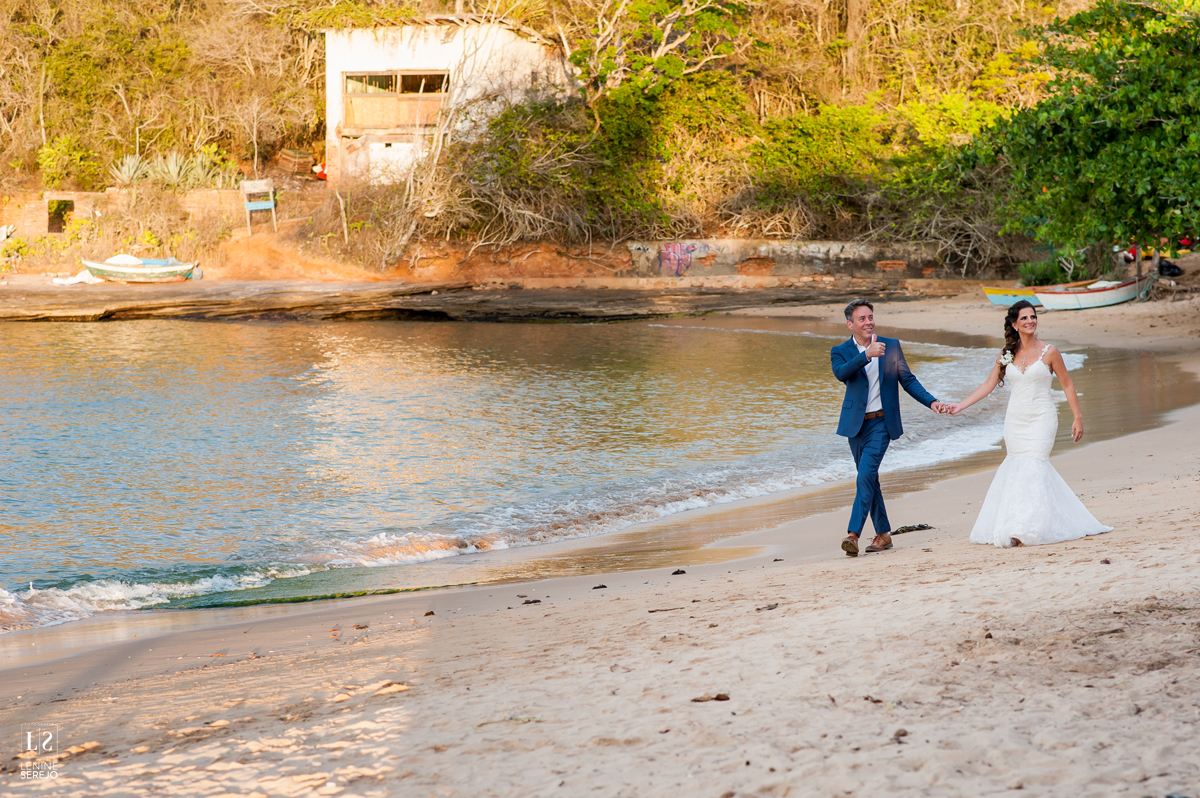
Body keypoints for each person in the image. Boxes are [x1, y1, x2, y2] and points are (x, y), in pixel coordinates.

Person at [946, 300, 1112, 547]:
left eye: (1033, 316)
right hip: (1015, 420)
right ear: (1014, 324)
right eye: (1024, 318)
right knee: (1017, 468)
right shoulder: (1007, 354)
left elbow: (1067, 384)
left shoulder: (1050, 352)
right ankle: (1017, 525)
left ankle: (1026, 528)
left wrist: (1077, 417)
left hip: (1042, 418)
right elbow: (989, 384)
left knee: (1034, 465)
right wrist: (960, 405)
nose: (1030, 321)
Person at [831, 299, 949, 557]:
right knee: (869, 478)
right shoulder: (840, 351)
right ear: (850, 324)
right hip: (855, 426)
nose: (868, 322)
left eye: (870, 317)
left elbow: (908, 380)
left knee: (865, 476)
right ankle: (884, 534)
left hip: (882, 423)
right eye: (862, 319)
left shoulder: (891, 346)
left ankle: (853, 534)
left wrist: (931, 402)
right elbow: (841, 373)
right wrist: (866, 355)